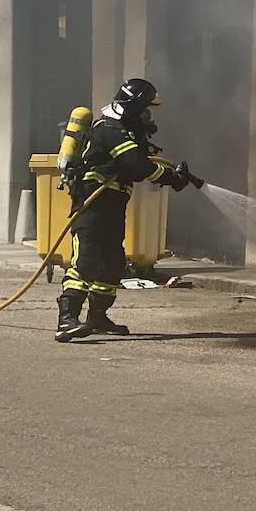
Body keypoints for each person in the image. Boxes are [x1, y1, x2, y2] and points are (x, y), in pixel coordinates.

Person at [55, 78, 194, 342]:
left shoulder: (124, 130)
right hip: (91, 204)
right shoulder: (110, 128)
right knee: (85, 260)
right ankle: (66, 319)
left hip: (112, 205)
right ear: (133, 107)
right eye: (144, 109)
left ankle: (97, 317)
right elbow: (135, 164)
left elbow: (138, 164)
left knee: (113, 263)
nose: (148, 116)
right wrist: (171, 178)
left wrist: (170, 175)